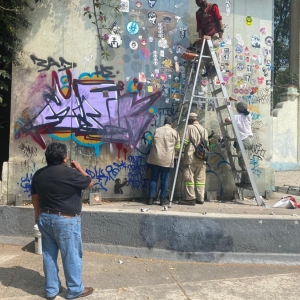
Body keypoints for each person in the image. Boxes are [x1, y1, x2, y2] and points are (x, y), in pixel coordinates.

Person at [31, 142, 94, 300]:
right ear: (64, 159)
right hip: (66, 220)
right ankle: (75, 289)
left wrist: (37, 213)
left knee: (49, 255)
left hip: (44, 218)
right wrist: (78, 167)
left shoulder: (38, 174)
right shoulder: (70, 173)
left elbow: (35, 197)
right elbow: (89, 182)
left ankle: (52, 290)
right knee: (71, 255)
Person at [147, 117, 180, 206]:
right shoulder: (174, 132)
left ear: (164, 122)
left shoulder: (157, 130)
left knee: (153, 178)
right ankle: (162, 199)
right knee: (164, 179)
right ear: (171, 124)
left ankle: (150, 199)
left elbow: (153, 143)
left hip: (156, 157)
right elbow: (177, 147)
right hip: (167, 159)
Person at [180, 112, 208, 206]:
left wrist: (178, 150)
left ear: (190, 120)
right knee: (200, 179)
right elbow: (206, 144)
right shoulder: (204, 129)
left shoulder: (189, 128)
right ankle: (200, 199)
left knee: (189, 178)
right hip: (202, 157)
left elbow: (185, 141)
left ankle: (190, 198)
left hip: (191, 157)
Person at [225, 96, 253, 187]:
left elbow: (226, 119)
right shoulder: (248, 115)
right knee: (246, 161)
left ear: (237, 109)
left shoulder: (236, 117)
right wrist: (236, 100)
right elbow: (244, 105)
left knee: (243, 162)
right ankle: (244, 182)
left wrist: (230, 104)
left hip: (243, 142)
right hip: (250, 140)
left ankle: (248, 182)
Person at [195, 0, 224, 76]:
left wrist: (221, 33)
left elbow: (219, 19)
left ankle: (215, 67)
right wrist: (200, 38)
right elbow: (199, 27)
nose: (198, 3)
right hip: (205, 35)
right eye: (197, 1)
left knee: (214, 46)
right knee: (204, 50)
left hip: (214, 33)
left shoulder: (212, 7)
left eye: (199, 1)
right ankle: (208, 69)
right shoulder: (198, 13)